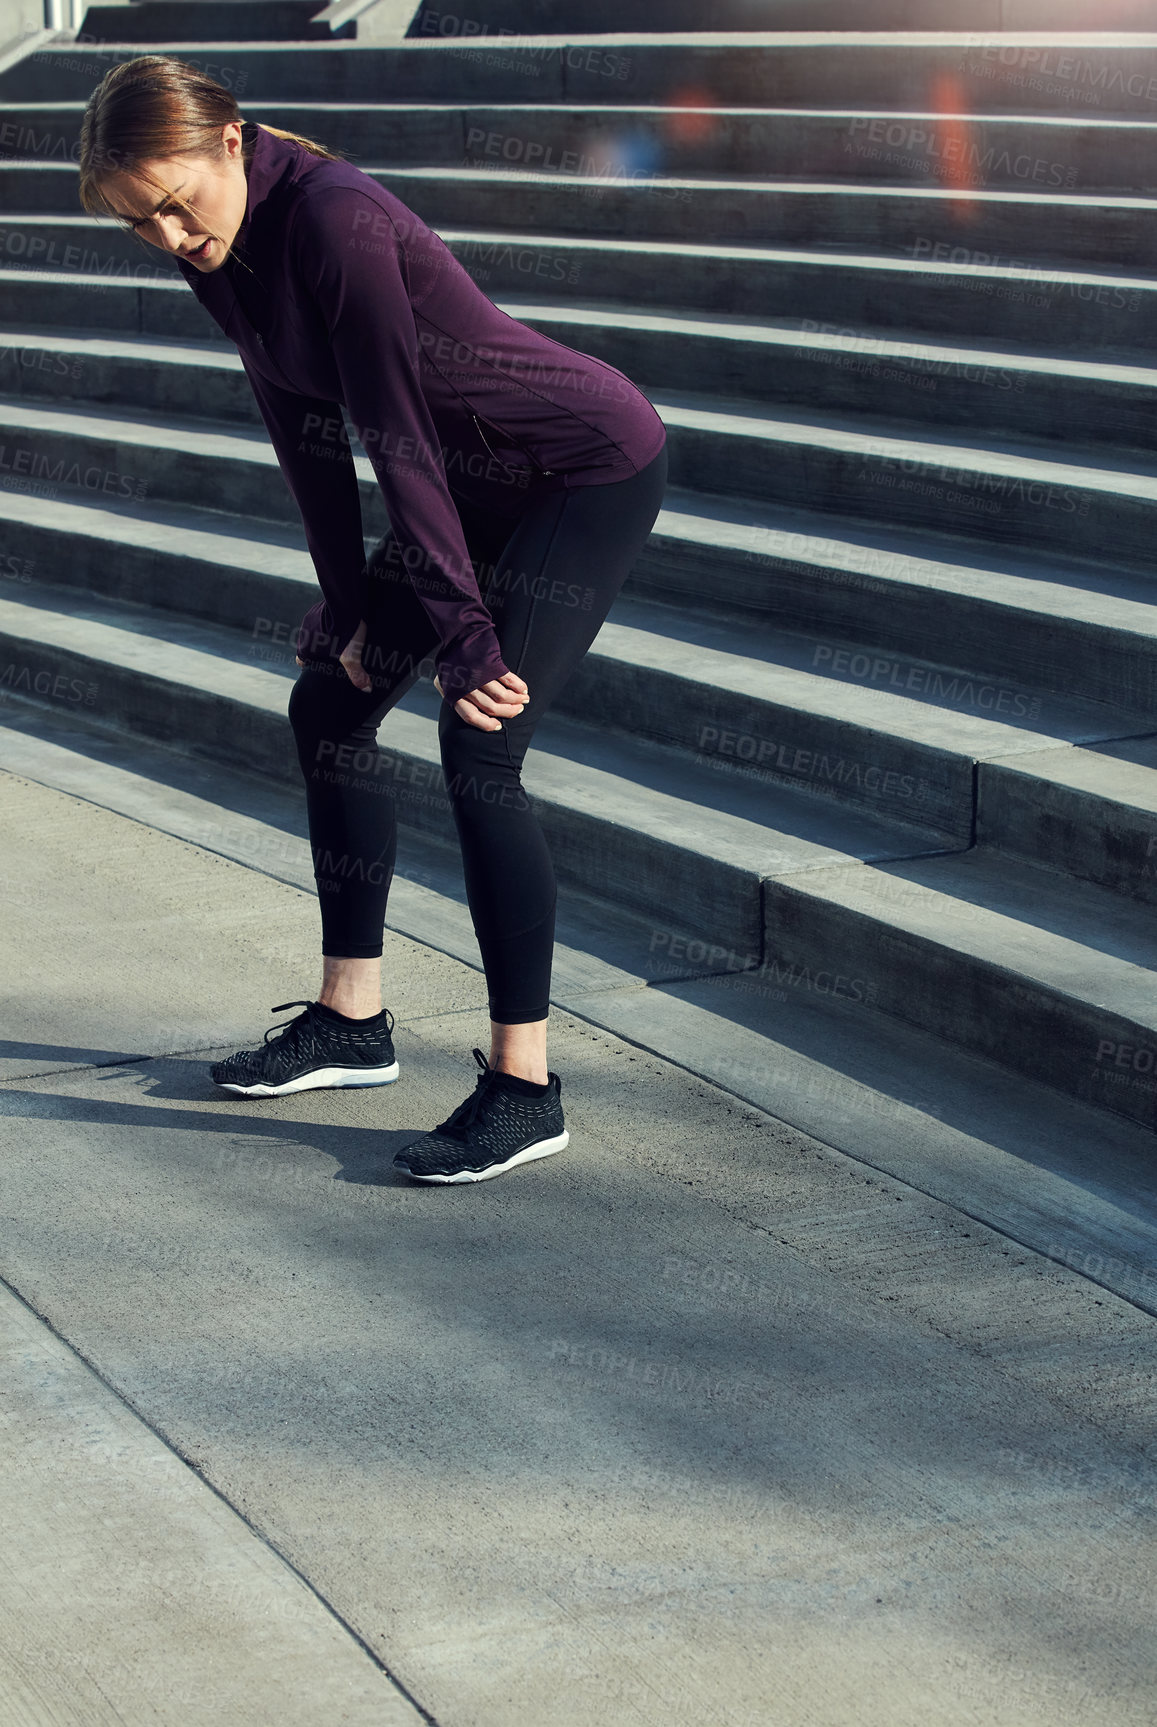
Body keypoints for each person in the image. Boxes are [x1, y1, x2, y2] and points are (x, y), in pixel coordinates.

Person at [77, 55, 668, 1184]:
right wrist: (346, 605)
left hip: (575, 469)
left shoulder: (335, 223)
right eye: (136, 219)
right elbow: (296, 419)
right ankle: (351, 1020)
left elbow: (392, 432)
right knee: (330, 702)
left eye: (172, 200)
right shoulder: (225, 243)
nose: (164, 233)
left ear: (231, 140)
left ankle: (523, 1087)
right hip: (466, 483)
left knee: (478, 742)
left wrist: (466, 636)